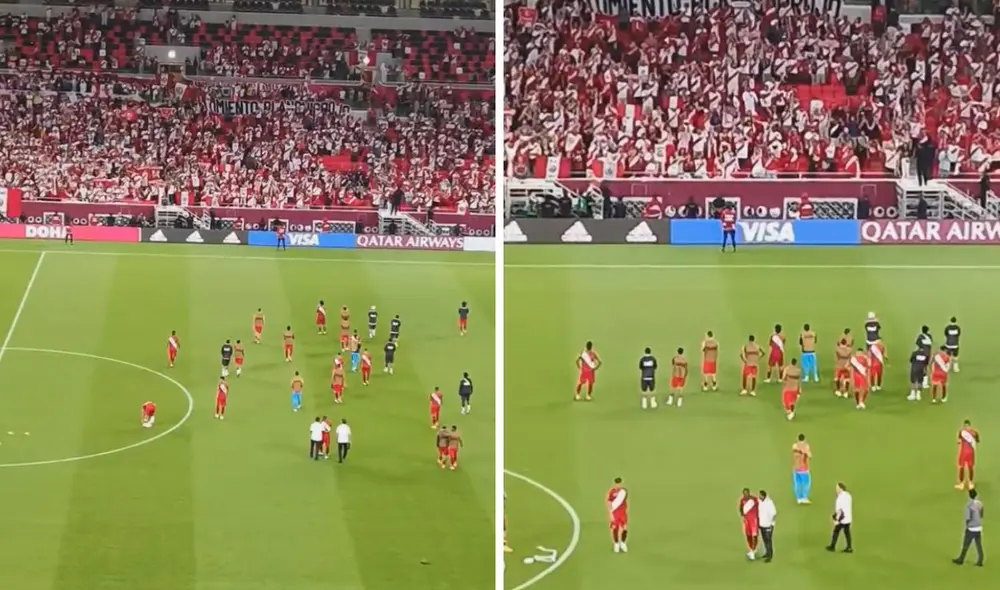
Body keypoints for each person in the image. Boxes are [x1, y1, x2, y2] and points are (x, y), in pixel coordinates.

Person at [953, 489, 984, 566]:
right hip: (979, 527)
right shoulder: (979, 504)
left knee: (965, 544)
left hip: (971, 528)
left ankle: (961, 559)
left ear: (969, 495)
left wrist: (967, 526)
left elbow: (968, 518)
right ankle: (980, 561)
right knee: (978, 545)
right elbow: (981, 514)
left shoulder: (968, 506)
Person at [827, 483, 853, 553]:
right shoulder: (848, 495)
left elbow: (839, 511)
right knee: (847, 533)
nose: (836, 489)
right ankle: (849, 547)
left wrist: (836, 520)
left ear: (841, 489)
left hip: (842, 519)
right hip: (848, 518)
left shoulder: (840, 498)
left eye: (837, 488)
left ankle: (832, 546)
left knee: (836, 531)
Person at [957, 420, 980, 491]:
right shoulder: (961, 432)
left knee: (970, 467)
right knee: (961, 467)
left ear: (970, 425)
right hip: (963, 452)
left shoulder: (974, 433)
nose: (966, 427)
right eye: (965, 426)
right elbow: (959, 440)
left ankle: (970, 483)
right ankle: (961, 484)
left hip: (970, 452)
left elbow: (977, 440)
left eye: (967, 426)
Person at [607, 477, 629, 553]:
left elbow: (621, 500)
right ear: (614, 483)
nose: (618, 485)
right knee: (615, 528)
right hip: (615, 513)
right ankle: (616, 543)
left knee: (624, 528)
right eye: (617, 483)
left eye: (619, 483)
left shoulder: (624, 492)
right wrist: (610, 513)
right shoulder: (611, 492)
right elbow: (609, 502)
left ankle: (623, 542)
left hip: (622, 513)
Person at [739, 488, 760, 560]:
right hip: (747, 521)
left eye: (746, 493)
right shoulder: (742, 500)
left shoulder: (754, 499)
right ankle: (751, 549)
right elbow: (741, 509)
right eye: (744, 493)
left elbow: (759, 507)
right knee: (748, 536)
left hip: (754, 520)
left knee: (755, 535)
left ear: (749, 493)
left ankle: (753, 551)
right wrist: (742, 516)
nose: (745, 495)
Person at [792, 434, 812, 504]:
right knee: (806, 483)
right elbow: (810, 455)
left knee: (797, 483)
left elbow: (795, 450)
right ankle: (804, 497)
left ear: (797, 438)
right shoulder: (806, 446)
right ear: (805, 439)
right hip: (803, 469)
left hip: (795, 468)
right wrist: (806, 451)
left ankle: (798, 498)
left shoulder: (794, 445)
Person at [758, 490, 777, 563]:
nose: (759, 496)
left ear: (763, 496)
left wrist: (771, 524)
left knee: (768, 540)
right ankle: (767, 553)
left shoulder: (769, 503)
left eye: (760, 495)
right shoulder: (759, 502)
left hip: (768, 525)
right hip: (762, 525)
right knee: (764, 540)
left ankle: (770, 556)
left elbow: (774, 513)